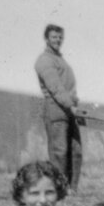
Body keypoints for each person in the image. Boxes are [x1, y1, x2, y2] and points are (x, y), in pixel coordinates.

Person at [35, 24, 82, 194]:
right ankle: (58, 189)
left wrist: (74, 104)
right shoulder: (44, 60)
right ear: (47, 39)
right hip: (56, 109)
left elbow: (69, 86)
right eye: (54, 37)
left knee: (75, 151)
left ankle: (72, 188)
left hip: (69, 109)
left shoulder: (60, 60)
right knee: (59, 152)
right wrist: (70, 105)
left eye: (60, 37)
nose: (58, 40)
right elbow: (55, 87)